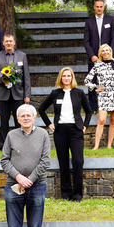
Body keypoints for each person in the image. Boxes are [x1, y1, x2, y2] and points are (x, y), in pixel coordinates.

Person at [0, 104, 51, 227]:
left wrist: (29, 180)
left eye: (29, 115)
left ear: (35, 117)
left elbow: (46, 161)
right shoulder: (11, 135)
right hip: (13, 186)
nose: (26, 118)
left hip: (37, 186)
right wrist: (19, 177)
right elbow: (4, 160)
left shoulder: (43, 134)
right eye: (23, 116)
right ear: (18, 118)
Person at [38, 67, 91, 201]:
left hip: (76, 131)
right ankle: (66, 193)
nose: (66, 78)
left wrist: (85, 126)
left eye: (69, 76)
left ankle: (77, 195)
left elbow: (89, 111)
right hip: (60, 131)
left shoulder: (79, 93)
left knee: (78, 161)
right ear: (60, 78)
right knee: (63, 163)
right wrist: (49, 124)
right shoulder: (55, 93)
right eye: (64, 76)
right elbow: (41, 109)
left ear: (72, 78)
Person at [0, 34, 31, 149]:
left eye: (10, 41)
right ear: (3, 43)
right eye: (6, 41)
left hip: (18, 94)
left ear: (14, 43)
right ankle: (3, 146)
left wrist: (27, 95)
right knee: (4, 122)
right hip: (3, 95)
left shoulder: (22, 56)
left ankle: (21, 145)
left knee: (20, 122)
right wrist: (2, 79)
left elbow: (26, 77)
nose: (8, 43)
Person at [85, 44, 114, 150]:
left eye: (107, 50)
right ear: (101, 53)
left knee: (113, 120)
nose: (105, 52)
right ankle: (96, 146)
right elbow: (87, 80)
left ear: (110, 51)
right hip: (104, 96)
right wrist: (96, 88)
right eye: (103, 51)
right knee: (101, 120)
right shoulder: (97, 65)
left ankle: (109, 146)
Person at [83, 0, 114, 114]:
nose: (99, 9)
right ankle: (93, 107)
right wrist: (92, 55)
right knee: (92, 82)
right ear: (94, 7)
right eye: (97, 6)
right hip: (93, 59)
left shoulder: (110, 20)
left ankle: (108, 105)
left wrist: (109, 54)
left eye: (101, 6)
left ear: (104, 7)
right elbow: (86, 41)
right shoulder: (89, 22)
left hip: (107, 58)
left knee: (108, 81)